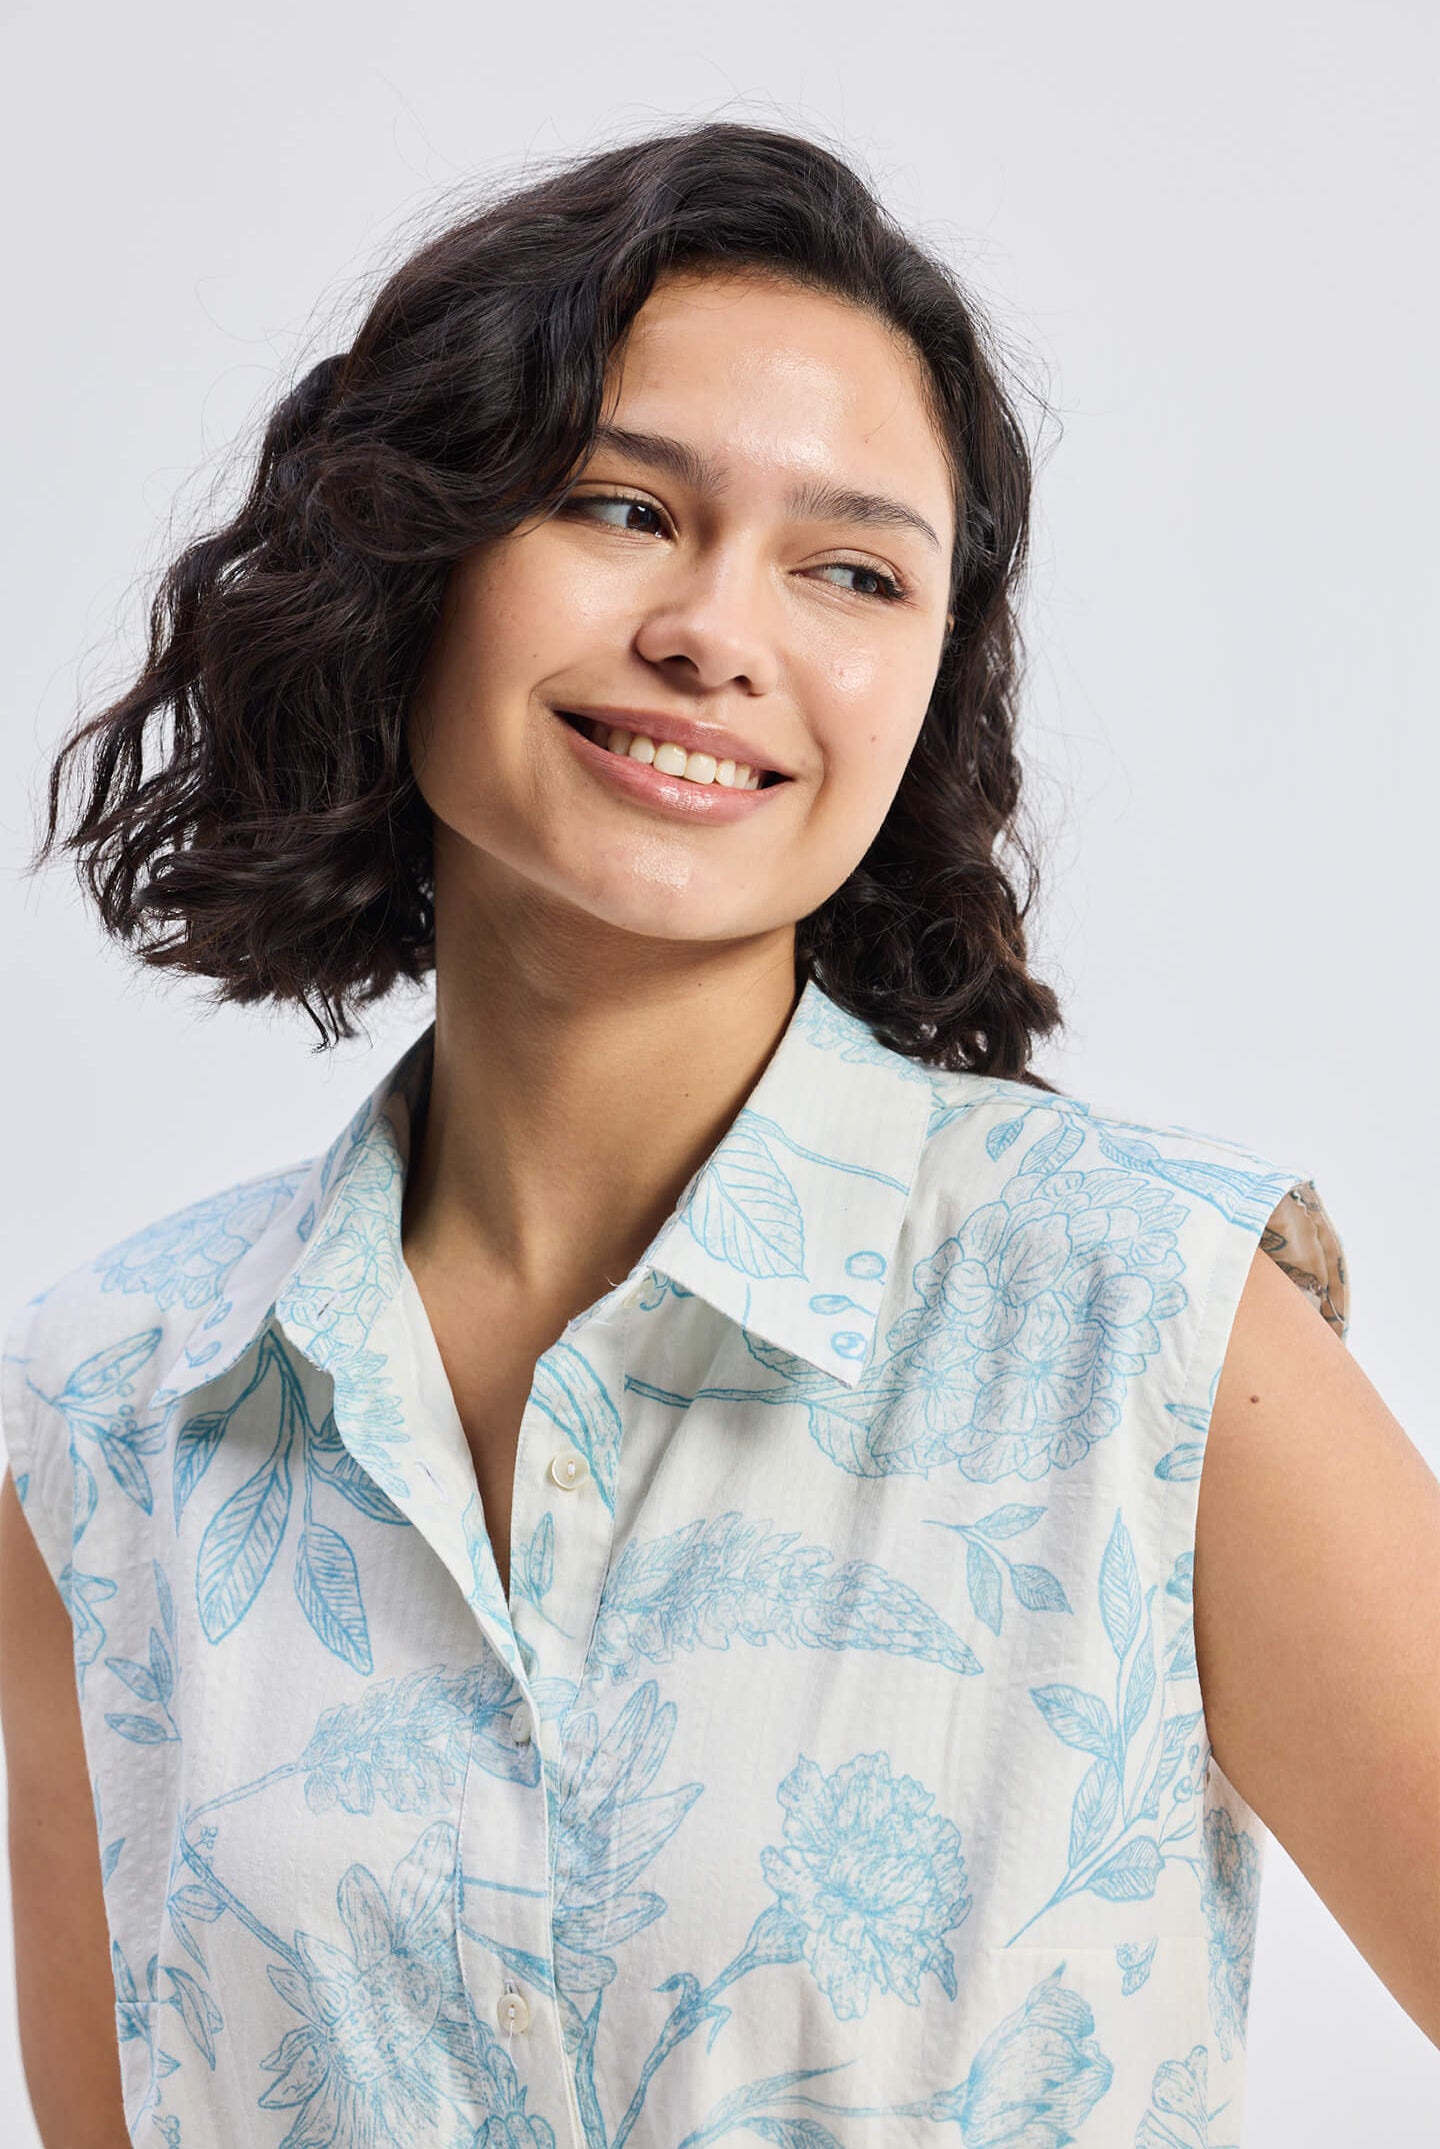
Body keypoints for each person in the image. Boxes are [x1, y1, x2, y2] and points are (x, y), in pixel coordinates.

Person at [1, 118, 1434, 2149]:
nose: (718, 631)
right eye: (618, 505)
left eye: (852, 565)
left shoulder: (1150, 1337)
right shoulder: (115, 1413)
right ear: (413, 555)